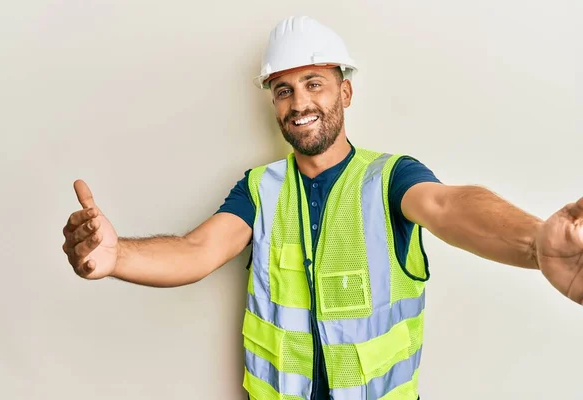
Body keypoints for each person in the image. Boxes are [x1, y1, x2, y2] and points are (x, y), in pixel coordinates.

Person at [61, 15, 583, 400]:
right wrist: (117, 257)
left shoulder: (390, 177)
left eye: (315, 84)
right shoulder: (260, 187)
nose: (300, 104)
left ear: (345, 93)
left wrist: (534, 244)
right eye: (284, 90)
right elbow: (198, 250)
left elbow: (451, 206)